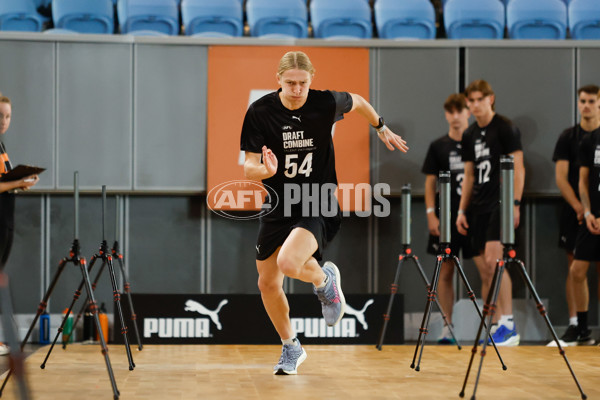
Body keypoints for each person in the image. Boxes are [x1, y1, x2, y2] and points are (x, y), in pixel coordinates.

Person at [240, 51, 408, 375]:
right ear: (278, 80)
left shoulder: (325, 103)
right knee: (267, 283)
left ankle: (323, 279)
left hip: (317, 200)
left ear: (311, 80)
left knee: (288, 263)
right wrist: (264, 169)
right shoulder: (259, 112)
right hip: (278, 204)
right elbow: (248, 168)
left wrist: (381, 126)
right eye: (290, 83)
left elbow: (357, 101)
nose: (297, 89)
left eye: (303, 83)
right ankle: (291, 347)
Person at [456, 80, 525, 346]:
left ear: (490, 99)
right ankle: (496, 324)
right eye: (470, 101)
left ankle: (509, 324)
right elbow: (469, 175)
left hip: (501, 202)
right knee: (485, 269)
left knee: (496, 262)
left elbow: (519, 167)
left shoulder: (505, 128)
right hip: (478, 206)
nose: (474, 105)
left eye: (478, 99)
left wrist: (515, 203)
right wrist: (462, 209)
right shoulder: (470, 134)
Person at [421, 93, 477, 344]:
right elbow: (430, 182)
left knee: (486, 267)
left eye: (460, 111)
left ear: (469, 112)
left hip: (476, 214)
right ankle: (447, 326)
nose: (456, 117)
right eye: (451, 112)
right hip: (446, 217)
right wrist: (431, 214)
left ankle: (495, 325)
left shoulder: (479, 141)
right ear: (446, 115)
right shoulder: (438, 146)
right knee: (445, 269)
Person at [552, 85, 600, 346]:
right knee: (576, 268)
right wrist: (586, 210)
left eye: (591, 101)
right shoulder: (576, 138)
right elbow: (572, 179)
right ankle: (579, 326)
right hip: (582, 214)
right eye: (582, 101)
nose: (586, 106)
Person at [0, 94, 40, 355]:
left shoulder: (1, 146)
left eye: (7, 116)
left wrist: (20, 183)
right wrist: (17, 183)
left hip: (6, 219)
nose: (4, 121)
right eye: (0, 116)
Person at [567, 119, 600, 346]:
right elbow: (583, 180)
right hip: (591, 218)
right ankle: (583, 329)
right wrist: (587, 212)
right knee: (577, 270)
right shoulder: (591, 139)